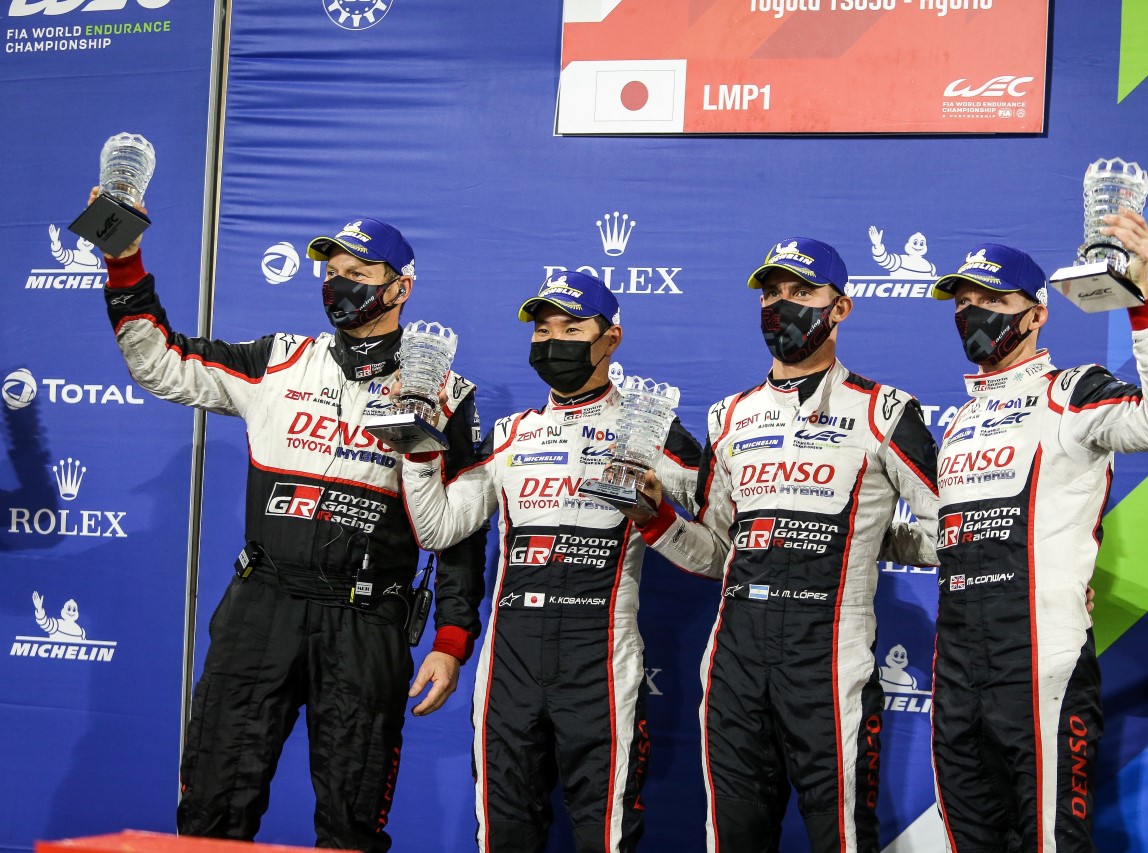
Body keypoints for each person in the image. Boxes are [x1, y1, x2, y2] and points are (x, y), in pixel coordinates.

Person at [95, 195, 486, 852]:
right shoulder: (277, 359)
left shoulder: (446, 392)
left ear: (401, 287)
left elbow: (461, 529)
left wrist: (450, 638)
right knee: (212, 809)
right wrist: (124, 263)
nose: (339, 284)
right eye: (331, 272)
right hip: (263, 606)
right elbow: (159, 362)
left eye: (358, 273)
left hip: (366, 619)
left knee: (350, 825)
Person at [630, 237, 940, 852]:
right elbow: (719, 551)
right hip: (734, 656)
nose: (782, 304)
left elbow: (948, 532)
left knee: (841, 836)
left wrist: (870, 540)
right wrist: (656, 520)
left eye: (801, 292)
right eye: (772, 293)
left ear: (841, 307)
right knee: (733, 838)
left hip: (829, 653)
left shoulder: (884, 410)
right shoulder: (729, 415)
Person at [402, 271, 705, 853]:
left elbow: (726, 531)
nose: (552, 342)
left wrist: (657, 516)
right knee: (503, 834)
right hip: (509, 660)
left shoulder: (650, 429)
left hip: (601, 656)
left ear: (611, 338)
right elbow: (439, 528)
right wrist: (417, 452)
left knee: (605, 837)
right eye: (543, 330)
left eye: (571, 329)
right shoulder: (510, 433)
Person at [928, 210, 1148, 852]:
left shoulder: (1072, 392)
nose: (973, 312)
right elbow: (951, 540)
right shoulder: (958, 422)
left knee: (1053, 840)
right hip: (956, 664)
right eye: (964, 302)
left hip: (1042, 657)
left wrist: (1140, 299)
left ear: (1036, 315)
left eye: (993, 300)